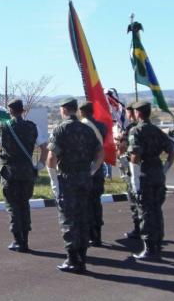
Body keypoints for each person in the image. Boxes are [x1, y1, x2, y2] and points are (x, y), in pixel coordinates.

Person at [47, 98, 104, 273]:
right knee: (83, 218)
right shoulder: (87, 130)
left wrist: (54, 181)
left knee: (68, 220)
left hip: (68, 179)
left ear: (64, 109)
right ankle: (82, 257)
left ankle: (73, 259)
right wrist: (92, 170)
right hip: (85, 179)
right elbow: (100, 152)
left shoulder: (60, 129)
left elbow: (51, 159)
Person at [0, 99, 48, 253]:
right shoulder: (32, 127)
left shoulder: (1, 126)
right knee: (24, 204)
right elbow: (44, 148)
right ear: (22, 111)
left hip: (10, 173)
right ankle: (26, 240)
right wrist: (40, 165)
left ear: (10, 111)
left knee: (13, 206)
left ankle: (18, 241)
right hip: (28, 172)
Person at [127, 101, 174, 260]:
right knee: (156, 210)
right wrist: (164, 169)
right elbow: (172, 151)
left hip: (144, 174)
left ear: (139, 113)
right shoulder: (157, 130)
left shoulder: (136, 130)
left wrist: (135, 180)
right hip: (157, 174)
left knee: (146, 212)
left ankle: (150, 248)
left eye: (134, 112)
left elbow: (134, 156)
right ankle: (157, 243)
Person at [79, 101, 107, 247]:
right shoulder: (102, 126)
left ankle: (91, 235)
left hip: (85, 169)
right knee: (96, 202)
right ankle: (98, 234)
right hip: (98, 167)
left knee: (87, 203)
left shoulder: (82, 127)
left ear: (82, 112)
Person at [115, 102, 141, 239]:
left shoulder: (131, 129)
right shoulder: (151, 128)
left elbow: (122, 149)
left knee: (135, 201)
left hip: (134, 170)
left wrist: (119, 142)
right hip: (149, 170)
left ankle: (139, 229)